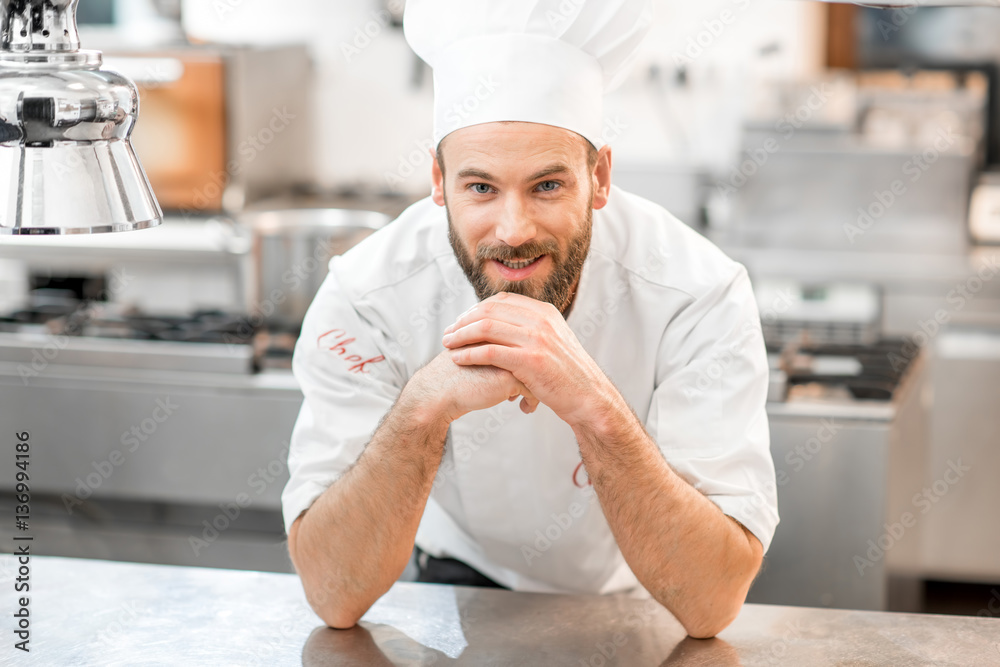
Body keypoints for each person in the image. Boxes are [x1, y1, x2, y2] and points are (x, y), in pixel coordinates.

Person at [282, 0, 778, 639]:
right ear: (438, 181)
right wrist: (420, 410)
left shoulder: (697, 292)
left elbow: (711, 602)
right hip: (458, 589)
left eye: (547, 185)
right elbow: (331, 595)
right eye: (480, 188)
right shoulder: (369, 295)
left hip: (649, 589)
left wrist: (592, 404)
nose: (513, 232)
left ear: (598, 176)